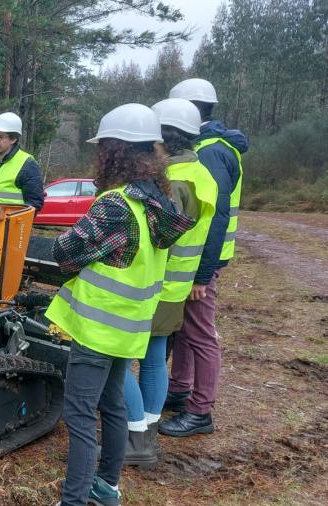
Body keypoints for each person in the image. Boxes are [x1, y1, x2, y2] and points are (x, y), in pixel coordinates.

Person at [45, 104, 193, 506]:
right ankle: (107, 487)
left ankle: (74, 500)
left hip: (97, 330)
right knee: (112, 405)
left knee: (79, 415)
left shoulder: (115, 205)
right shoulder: (159, 201)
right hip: (129, 329)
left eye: (103, 147)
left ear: (115, 150)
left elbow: (65, 252)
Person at [122, 98, 216, 466]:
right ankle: (147, 432)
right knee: (153, 360)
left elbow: (155, 234)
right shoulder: (200, 174)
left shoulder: (173, 181)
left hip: (152, 283)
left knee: (119, 361)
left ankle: (136, 438)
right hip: (174, 285)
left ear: (164, 138)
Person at [160, 78, 249, 437]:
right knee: (184, 329)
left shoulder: (211, 152)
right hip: (198, 259)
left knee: (199, 333)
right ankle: (180, 389)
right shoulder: (210, 146)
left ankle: (200, 411)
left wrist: (201, 275)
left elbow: (216, 217)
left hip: (199, 262)